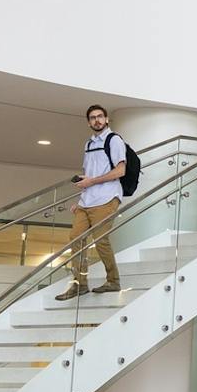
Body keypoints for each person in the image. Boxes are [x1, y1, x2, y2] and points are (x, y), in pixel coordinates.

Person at [59, 104, 125, 299]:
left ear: (106, 119)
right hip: (87, 200)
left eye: (100, 116)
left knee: (100, 240)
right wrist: (81, 196)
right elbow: (89, 174)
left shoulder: (114, 140)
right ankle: (80, 284)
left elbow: (120, 171)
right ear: (89, 122)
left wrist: (92, 181)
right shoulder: (88, 143)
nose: (97, 120)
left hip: (106, 198)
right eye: (93, 118)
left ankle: (113, 281)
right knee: (76, 238)